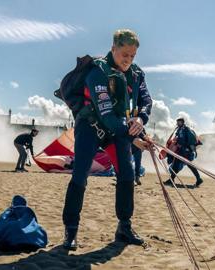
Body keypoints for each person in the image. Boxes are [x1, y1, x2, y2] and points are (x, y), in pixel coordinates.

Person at [62, 29, 152, 250]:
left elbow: (146, 100)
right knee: (80, 173)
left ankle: (124, 227)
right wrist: (133, 137)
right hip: (91, 125)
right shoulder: (97, 72)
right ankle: (70, 232)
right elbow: (107, 116)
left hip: (118, 129)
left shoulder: (137, 73)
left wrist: (140, 119)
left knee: (127, 174)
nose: (128, 60)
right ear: (113, 48)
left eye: (132, 56)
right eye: (124, 54)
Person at [164, 118, 203, 187]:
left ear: (182, 122)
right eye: (177, 122)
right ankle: (172, 179)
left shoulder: (186, 129)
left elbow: (190, 140)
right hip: (181, 151)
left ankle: (199, 179)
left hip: (186, 152)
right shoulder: (180, 130)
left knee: (189, 166)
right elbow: (178, 139)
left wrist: (185, 146)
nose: (177, 124)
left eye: (179, 122)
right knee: (177, 164)